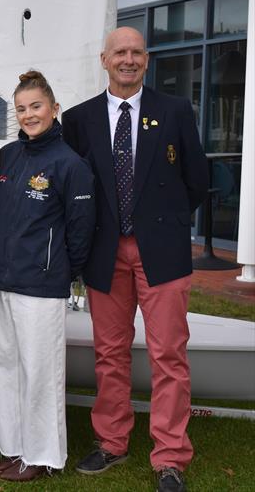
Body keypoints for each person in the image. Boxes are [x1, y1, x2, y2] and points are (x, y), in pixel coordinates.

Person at [62, 27, 209, 492]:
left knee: (169, 354)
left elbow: (196, 181)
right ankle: (112, 441)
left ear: (146, 60)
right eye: (119, 52)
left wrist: (159, 222)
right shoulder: (79, 118)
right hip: (105, 252)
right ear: (104, 59)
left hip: (161, 251)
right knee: (109, 353)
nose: (128, 59)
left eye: (137, 52)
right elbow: (76, 188)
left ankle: (169, 456)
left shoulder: (175, 111)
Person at [0, 70, 95, 482]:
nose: (28, 115)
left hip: (43, 285)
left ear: (54, 108)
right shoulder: (8, 156)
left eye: (36, 106)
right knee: (4, 365)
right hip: (4, 281)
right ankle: (15, 448)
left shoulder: (70, 164)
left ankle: (44, 454)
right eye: (21, 109)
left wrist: (65, 272)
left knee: (40, 371)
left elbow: (81, 230)